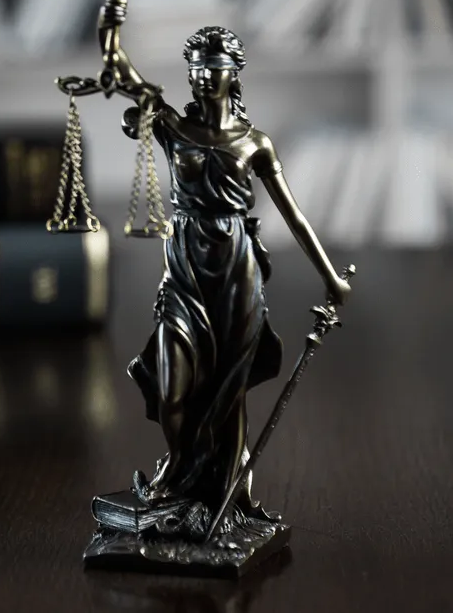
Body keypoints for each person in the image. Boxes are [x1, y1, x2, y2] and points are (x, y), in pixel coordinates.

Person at [107, 26, 352, 521]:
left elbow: (294, 216)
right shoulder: (174, 127)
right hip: (184, 269)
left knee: (228, 387)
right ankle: (178, 469)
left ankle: (222, 497)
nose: (201, 77)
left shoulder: (255, 143)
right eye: (194, 67)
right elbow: (126, 74)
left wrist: (331, 277)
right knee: (174, 386)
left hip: (237, 272)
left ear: (233, 72)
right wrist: (112, 24)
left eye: (212, 67)